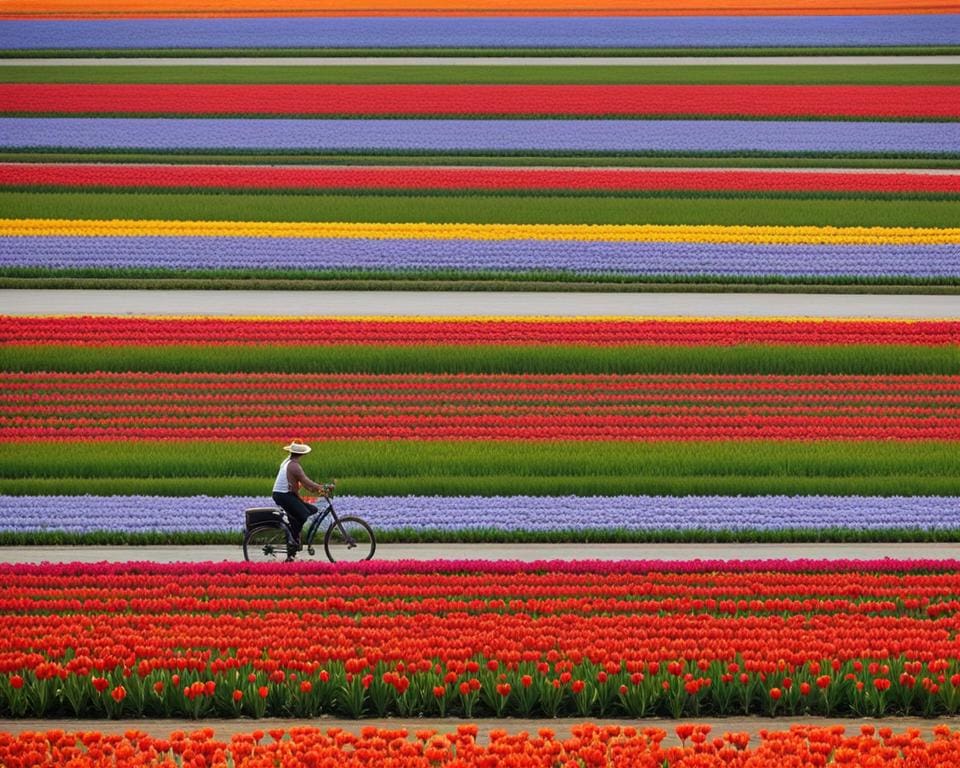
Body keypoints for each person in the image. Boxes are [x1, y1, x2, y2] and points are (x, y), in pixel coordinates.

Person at [272, 439, 326, 559]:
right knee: (303, 515)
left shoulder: (288, 462)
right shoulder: (294, 466)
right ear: (302, 454)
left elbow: (305, 484)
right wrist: (322, 488)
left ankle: (293, 540)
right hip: (283, 495)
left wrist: (316, 489)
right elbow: (306, 481)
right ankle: (293, 541)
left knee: (312, 509)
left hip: (283, 494)